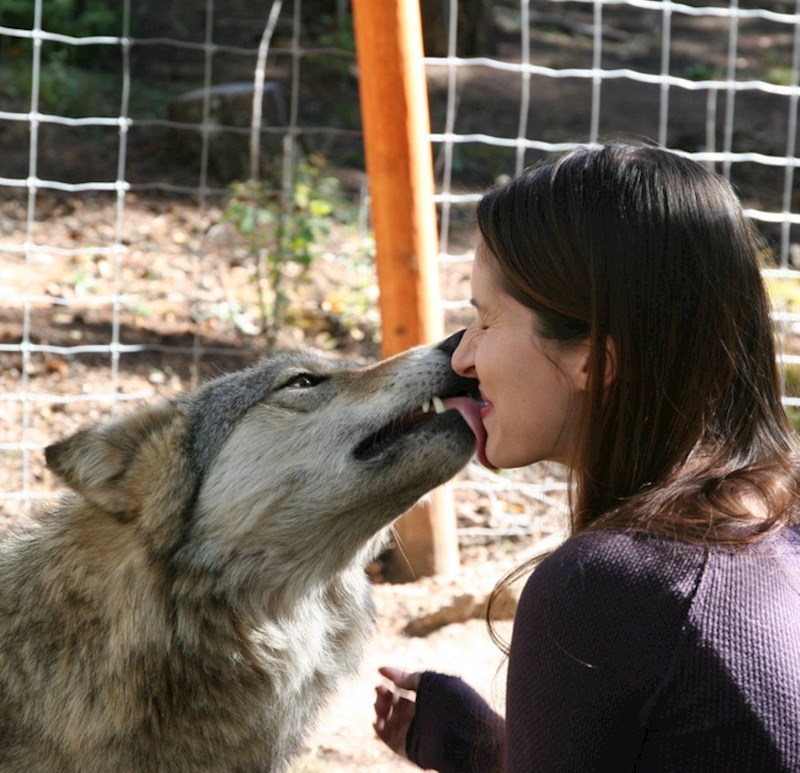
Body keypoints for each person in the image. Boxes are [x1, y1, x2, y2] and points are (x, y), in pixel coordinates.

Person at [372, 142, 800, 772]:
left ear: (594, 359)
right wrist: (488, 753)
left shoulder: (605, 586)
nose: (461, 359)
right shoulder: (779, 522)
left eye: (486, 320)